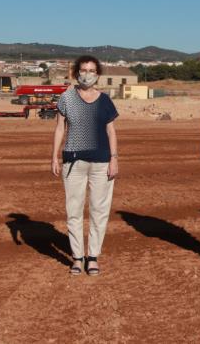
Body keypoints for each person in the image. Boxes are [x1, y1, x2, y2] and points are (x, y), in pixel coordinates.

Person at [52, 56, 119, 276]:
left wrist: (114, 158)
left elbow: (111, 131)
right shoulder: (66, 98)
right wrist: (54, 157)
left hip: (101, 163)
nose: (87, 74)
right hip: (73, 162)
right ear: (76, 73)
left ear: (98, 74)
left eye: (91, 70)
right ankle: (77, 257)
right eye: (83, 70)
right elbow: (60, 128)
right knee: (74, 211)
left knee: (99, 211)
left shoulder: (105, 100)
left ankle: (93, 256)